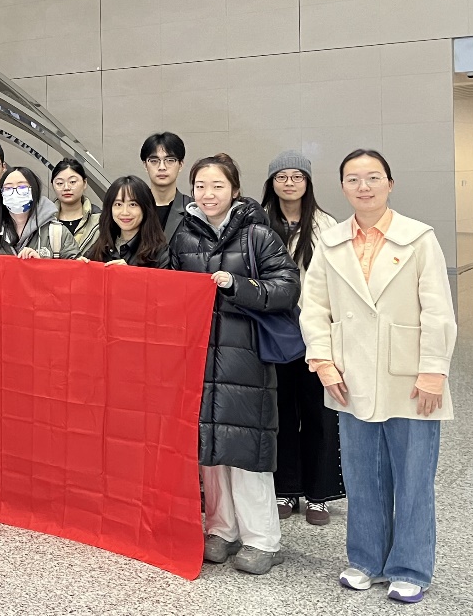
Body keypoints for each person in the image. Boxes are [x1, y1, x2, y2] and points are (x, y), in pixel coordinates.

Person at [299, 150, 457, 604]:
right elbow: (314, 307)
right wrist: (323, 362)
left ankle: (410, 567)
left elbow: (438, 310)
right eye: (353, 179)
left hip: (411, 374)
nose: (363, 187)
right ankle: (366, 559)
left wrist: (433, 372)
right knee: (362, 474)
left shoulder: (418, 238)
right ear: (343, 187)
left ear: (390, 183)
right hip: (349, 374)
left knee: (413, 477)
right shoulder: (331, 242)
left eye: (372, 178)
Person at [170, 153, 300, 575]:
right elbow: (168, 286)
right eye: (201, 186)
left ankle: (263, 540)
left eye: (217, 186)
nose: (208, 194)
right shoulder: (184, 235)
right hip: (199, 357)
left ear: (235, 190)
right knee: (210, 449)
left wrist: (238, 286)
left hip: (245, 357)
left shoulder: (258, 234)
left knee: (246, 449)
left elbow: (287, 287)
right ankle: (221, 530)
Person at [260, 151, 343, 526]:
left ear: (308, 182)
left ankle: (319, 494)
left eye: (297, 176)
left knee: (319, 413)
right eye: (281, 176)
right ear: (272, 183)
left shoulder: (326, 225)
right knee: (280, 412)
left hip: (317, 332)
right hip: (275, 331)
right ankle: (285, 489)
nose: (289, 183)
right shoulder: (259, 221)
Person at [0, 167, 78, 259]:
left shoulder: (56, 233)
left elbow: (75, 269)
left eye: (22, 187)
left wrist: (40, 265)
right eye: (8, 188)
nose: (15, 192)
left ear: (34, 191)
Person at [81, 175, 170, 268]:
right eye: (118, 204)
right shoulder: (100, 247)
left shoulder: (159, 253)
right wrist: (81, 267)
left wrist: (128, 274)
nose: (125, 212)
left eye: (133, 204)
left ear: (146, 208)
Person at [141, 132, 193, 240]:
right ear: (145, 165)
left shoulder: (193, 210)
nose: (162, 167)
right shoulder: (135, 208)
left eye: (170, 160)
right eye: (154, 161)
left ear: (181, 165)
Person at [51, 158, 101, 256]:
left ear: (85, 183)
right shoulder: (43, 221)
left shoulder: (100, 220)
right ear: (53, 185)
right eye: (60, 183)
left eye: (72, 182)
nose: (66, 188)